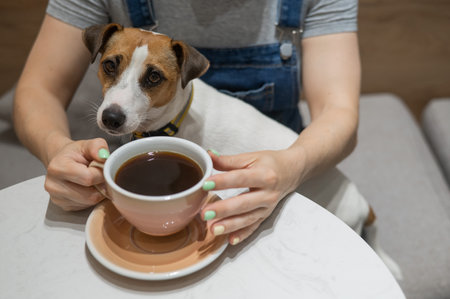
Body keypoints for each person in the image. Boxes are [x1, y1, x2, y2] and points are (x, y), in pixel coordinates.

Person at [13, 0, 361, 246]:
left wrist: (295, 166)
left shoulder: (208, 124)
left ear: (184, 76)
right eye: (111, 67)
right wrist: (56, 148)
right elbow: (37, 90)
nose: (115, 105)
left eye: (151, 79)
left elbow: (340, 111)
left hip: (328, 204)